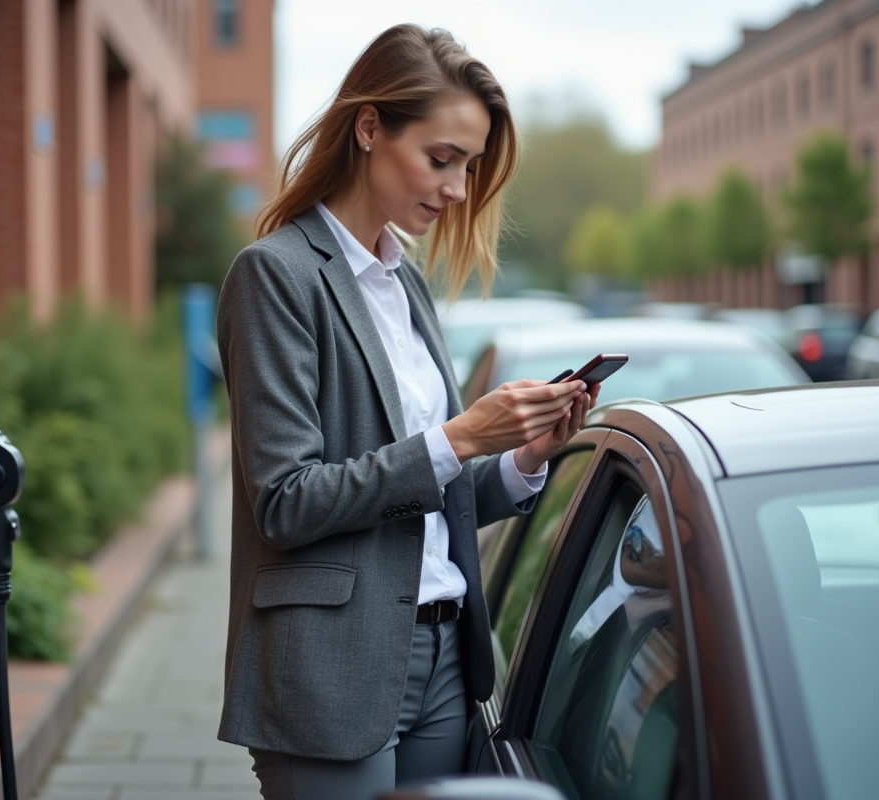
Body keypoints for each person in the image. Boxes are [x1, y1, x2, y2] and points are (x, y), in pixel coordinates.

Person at [215, 24, 599, 800]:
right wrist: (459, 437)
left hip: (447, 655)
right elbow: (286, 501)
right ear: (368, 128)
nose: (458, 189)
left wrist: (525, 457)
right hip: (333, 666)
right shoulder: (276, 277)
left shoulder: (405, 283)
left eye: (469, 166)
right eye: (441, 158)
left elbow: (432, 496)